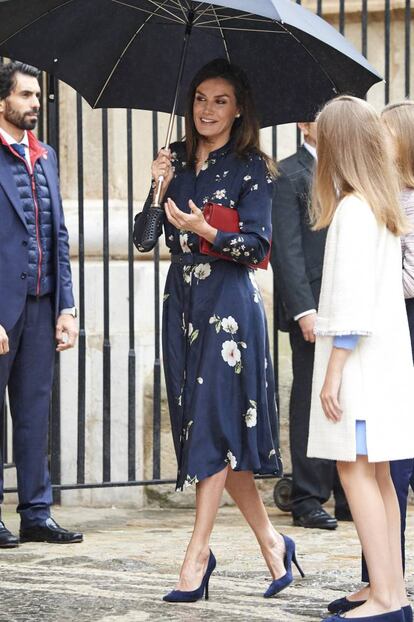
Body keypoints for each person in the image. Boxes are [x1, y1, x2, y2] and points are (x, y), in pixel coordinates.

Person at [135, 58, 304, 602]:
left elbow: (257, 248)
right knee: (215, 435)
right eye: (201, 98)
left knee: (211, 426)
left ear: (239, 110)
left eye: (220, 101)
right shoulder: (177, 162)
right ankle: (274, 544)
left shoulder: (254, 167)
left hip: (230, 307)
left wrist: (204, 228)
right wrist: (157, 187)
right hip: (181, 301)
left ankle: (197, 555)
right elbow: (143, 238)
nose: (207, 110)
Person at [307, 95, 413, 622]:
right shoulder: (381, 205)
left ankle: (385, 599)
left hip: (361, 369)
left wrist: (332, 374)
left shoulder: (352, 210)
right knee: (382, 479)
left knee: (355, 472)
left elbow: (349, 303)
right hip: (384, 365)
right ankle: (392, 594)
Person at [0, 61, 82, 547]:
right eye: (27, 95)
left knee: (34, 412)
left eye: (37, 95)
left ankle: (36, 512)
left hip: (41, 304)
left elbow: (59, 236)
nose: (35, 103)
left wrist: (66, 308)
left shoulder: (45, 154)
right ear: (3, 102)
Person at [271, 122, 349, 530]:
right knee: (310, 399)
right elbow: (285, 249)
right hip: (313, 308)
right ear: (304, 124)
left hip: (350, 305)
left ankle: (347, 495)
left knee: (347, 398)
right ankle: (306, 496)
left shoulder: (351, 171)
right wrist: (303, 310)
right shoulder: (287, 174)